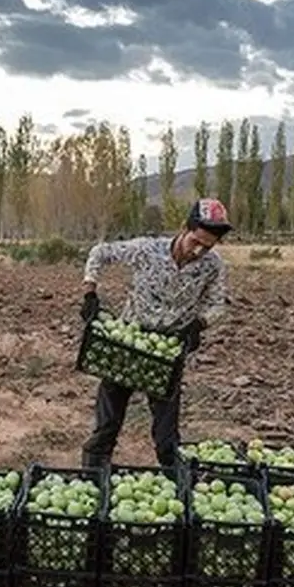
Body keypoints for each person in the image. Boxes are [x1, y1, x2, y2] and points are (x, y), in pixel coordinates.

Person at [78, 198, 233, 470]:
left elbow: (217, 303)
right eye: (195, 242)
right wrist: (90, 292)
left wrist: (199, 325)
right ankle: (93, 475)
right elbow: (100, 253)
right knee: (107, 424)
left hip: (167, 350)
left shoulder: (213, 265)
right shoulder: (148, 250)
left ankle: (174, 479)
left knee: (167, 436)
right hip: (127, 342)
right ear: (184, 228)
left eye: (207, 247)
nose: (198, 251)